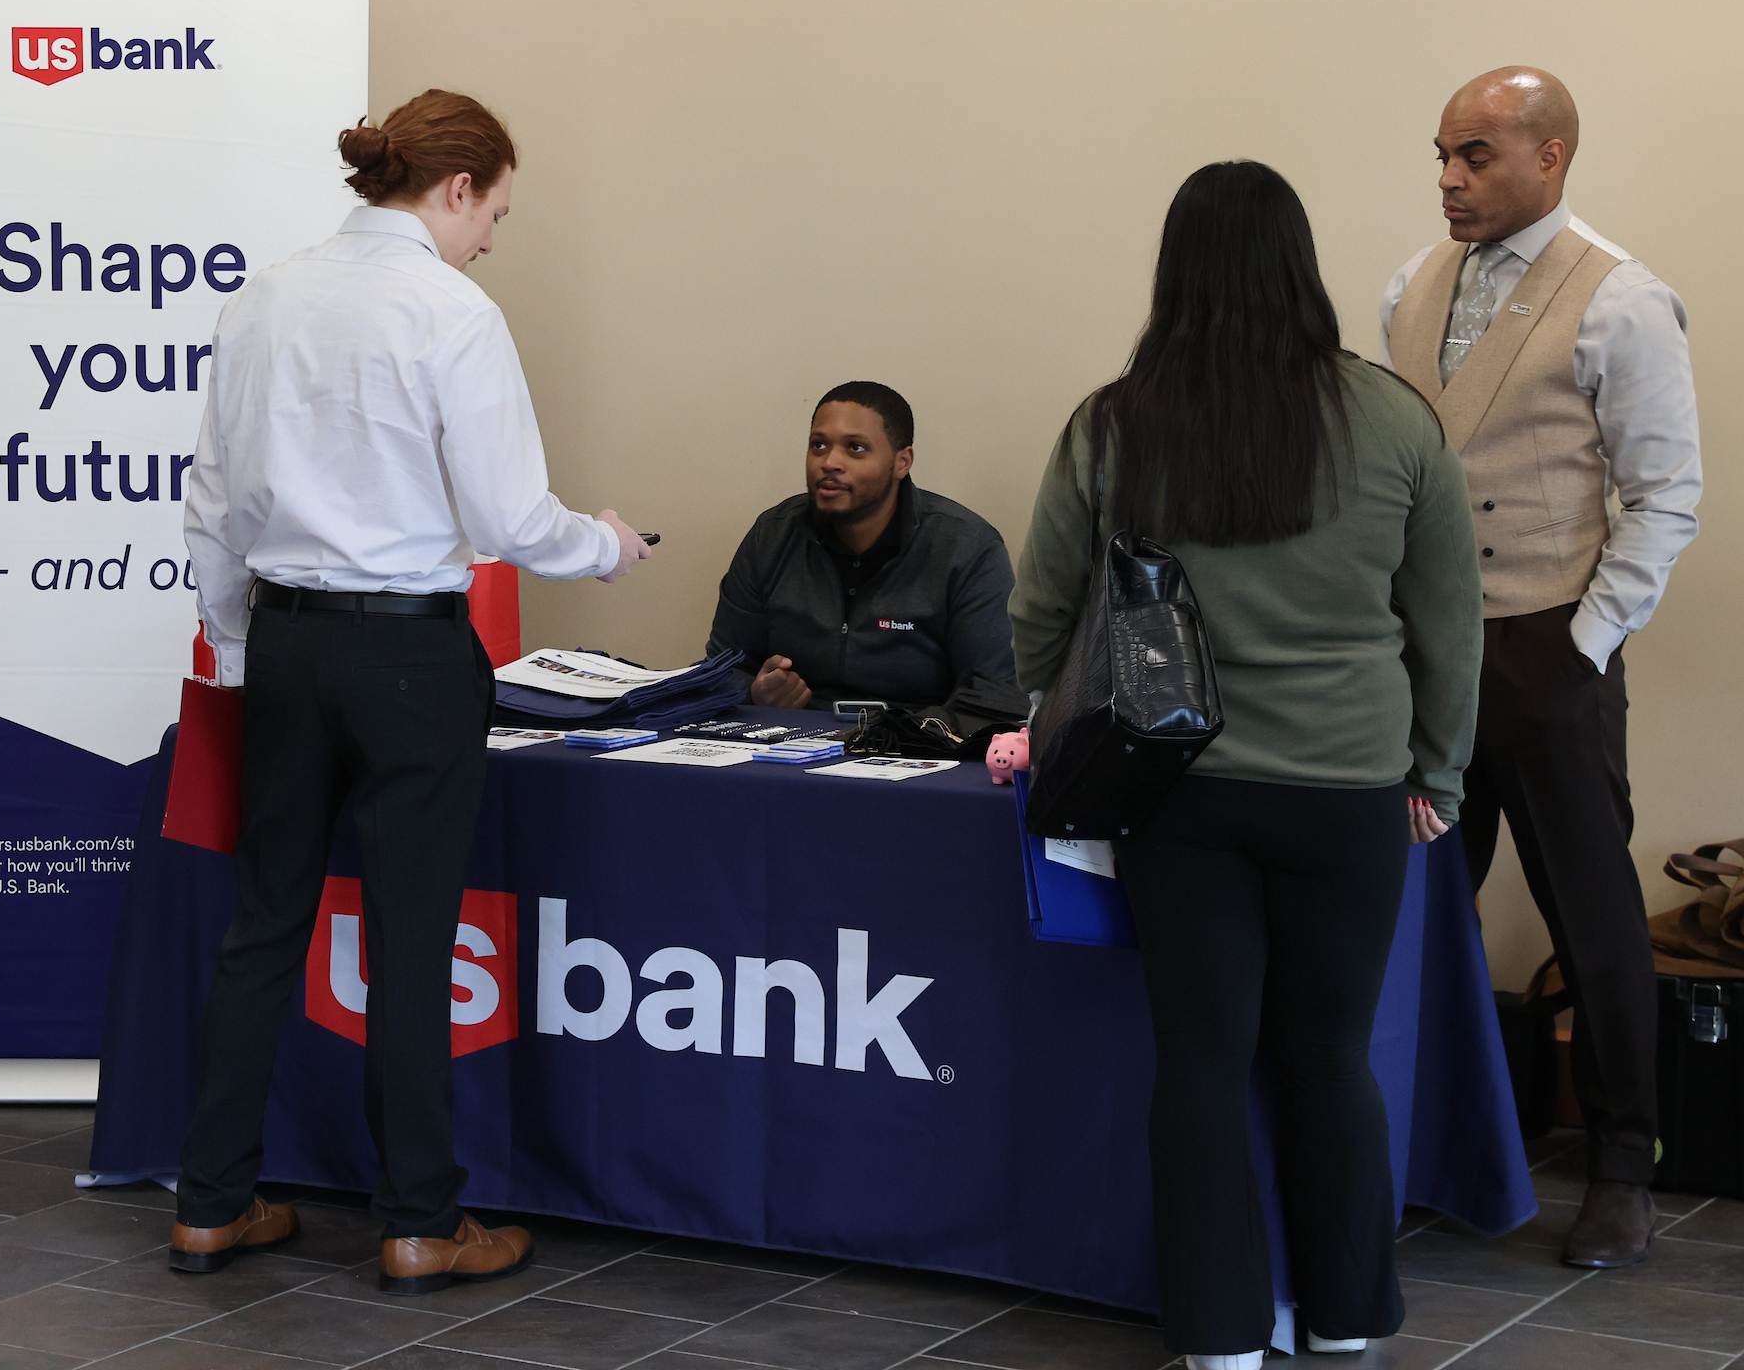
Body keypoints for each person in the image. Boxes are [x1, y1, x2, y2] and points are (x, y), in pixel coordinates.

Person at [177, 90, 649, 1294]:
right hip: (410, 658)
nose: (494, 233)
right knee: (411, 940)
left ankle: (210, 1206)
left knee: (264, 924)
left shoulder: (265, 296)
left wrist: (240, 640)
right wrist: (603, 545)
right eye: (496, 208)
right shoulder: (455, 309)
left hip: (283, 642)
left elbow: (219, 502)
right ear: (454, 189)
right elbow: (506, 520)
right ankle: (420, 1223)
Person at [1012, 162, 1481, 1370]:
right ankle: (1346, 1317)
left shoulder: (1116, 424)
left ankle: (1219, 1335)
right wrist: (1442, 770)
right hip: (1354, 793)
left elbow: (1041, 611)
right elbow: (1448, 623)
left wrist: (1048, 712)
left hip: (1182, 795)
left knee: (1203, 1063)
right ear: (1300, 264)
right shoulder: (1393, 418)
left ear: (1175, 273)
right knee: (1331, 1055)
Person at [1380, 66, 1701, 1269]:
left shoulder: (1624, 300)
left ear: (1551, 156)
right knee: (1416, 903)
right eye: (1443, 156)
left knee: (1591, 911)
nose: (1451, 179)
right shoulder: (1412, 284)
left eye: (1476, 156)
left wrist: (1582, 642)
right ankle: (1433, 1138)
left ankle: (1625, 1161)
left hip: (1547, 643)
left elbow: (1667, 495)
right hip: (1420, 652)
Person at [706, 382, 1014, 711]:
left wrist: (913, 737)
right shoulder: (771, 536)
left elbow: (993, 692)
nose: (829, 462)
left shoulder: (965, 547)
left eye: (855, 448)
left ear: (902, 462)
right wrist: (755, 691)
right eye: (819, 445)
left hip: (915, 745)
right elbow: (719, 670)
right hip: (790, 742)